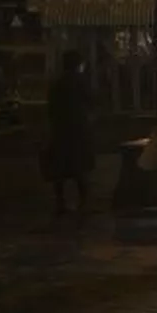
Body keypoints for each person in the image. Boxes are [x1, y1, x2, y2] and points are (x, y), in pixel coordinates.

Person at [44, 50, 95, 217]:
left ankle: (61, 202)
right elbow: (93, 100)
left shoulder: (57, 84)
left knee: (60, 169)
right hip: (78, 129)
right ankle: (83, 202)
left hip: (60, 130)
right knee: (79, 168)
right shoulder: (81, 82)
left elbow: (50, 109)